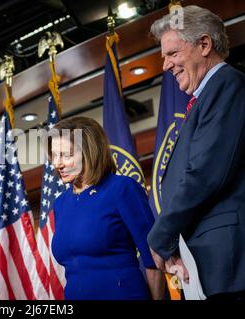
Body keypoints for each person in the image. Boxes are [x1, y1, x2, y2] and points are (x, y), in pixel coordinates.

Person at [147, 5, 245, 299]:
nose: (166, 66)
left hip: (233, 261)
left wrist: (159, 237)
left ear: (204, 45)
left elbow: (206, 172)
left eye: (173, 53)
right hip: (215, 262)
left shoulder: (226, 85)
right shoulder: (207, 95)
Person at [48, 116, 164, 300]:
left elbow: (154, 260)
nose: (57, 164)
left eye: (66, 155)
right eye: (54, 155)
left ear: (89, 152)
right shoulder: (61, 203)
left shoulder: (122, 189)